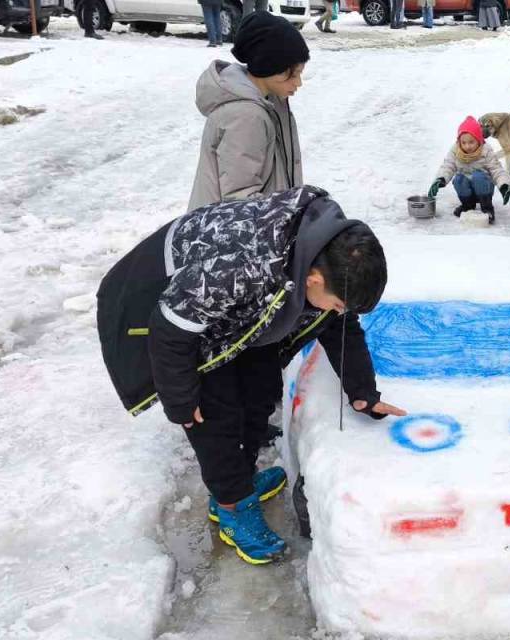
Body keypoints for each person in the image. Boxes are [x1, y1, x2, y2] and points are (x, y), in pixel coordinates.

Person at [96, 186, 407, 565]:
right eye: (338, 304)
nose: (340, 312)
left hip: (235, 311)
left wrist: (363, 392)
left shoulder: (329, 256)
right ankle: (231, 506)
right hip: (164, 307)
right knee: (215, 417)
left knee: (260, 394)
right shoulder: (242, 265)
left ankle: (239, 481)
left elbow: (342, 326)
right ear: (311, 279)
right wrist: (180, 398)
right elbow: (170, 329)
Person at [188, 11, 308, 212]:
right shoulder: (246, 116)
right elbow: (240, 199)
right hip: (228, 235)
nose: (299, 83)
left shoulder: (270, 100)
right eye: (292, 75)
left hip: (256, 228)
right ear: (269, 66)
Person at [428, 116, 510, 224]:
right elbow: (448, 165)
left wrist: (504, 185)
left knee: (478, 176)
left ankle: (487, 208)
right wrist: (440, 179)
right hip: (467, 189)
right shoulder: (456, 150)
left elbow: (497, 169)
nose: (467, 146)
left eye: (471, 142)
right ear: (459, 141)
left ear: (479, 139)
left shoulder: (486, 151)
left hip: (484, 188)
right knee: (458, 179)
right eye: (464, 143)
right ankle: (467, 205)